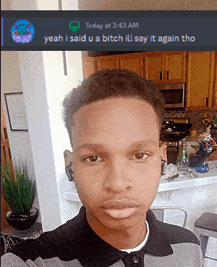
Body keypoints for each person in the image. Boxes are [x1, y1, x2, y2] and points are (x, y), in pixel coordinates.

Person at [1, 69, 203, 266]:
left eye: (139, 155)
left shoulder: (188, 247)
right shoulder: (30, 262)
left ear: (162, 158)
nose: (117, 184)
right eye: (94, 158)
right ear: (70, 165)